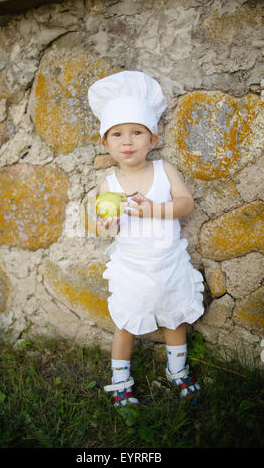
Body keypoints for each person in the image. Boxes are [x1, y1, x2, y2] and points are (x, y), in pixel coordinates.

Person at [88, 71, 204, 407]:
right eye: (118, 134)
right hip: (133, 267)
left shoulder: (164, 171)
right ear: (106, 143)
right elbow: (104, 226)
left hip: (168, 262)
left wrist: (154, 208)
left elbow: (186, 204)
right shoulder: (108, 183)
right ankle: (121, 380)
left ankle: (177, 371)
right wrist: (108, 224)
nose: (128, 141)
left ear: (152, 139)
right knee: (126, 322)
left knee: (175, 317)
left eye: (137, 133)